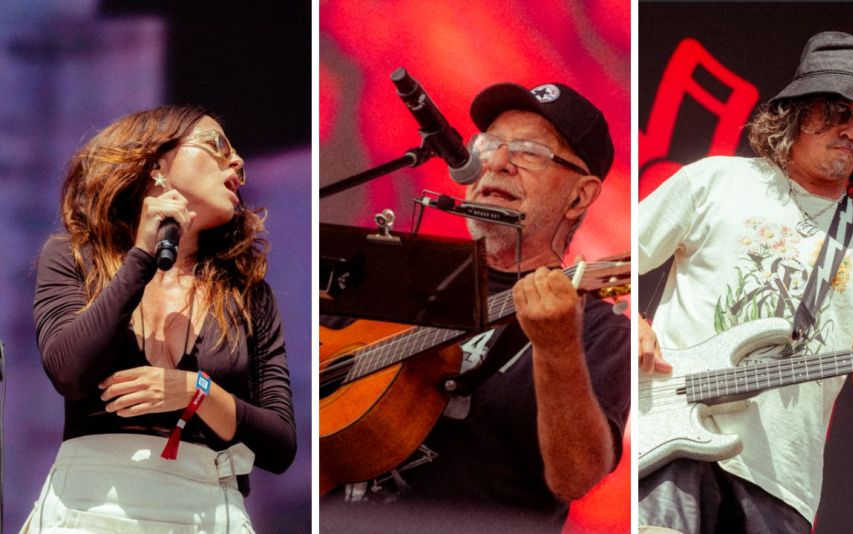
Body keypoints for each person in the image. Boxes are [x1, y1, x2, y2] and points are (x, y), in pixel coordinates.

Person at [638, 31, 853, 533]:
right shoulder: (715, 181)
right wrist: (634, 320)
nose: (851, 130)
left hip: (783, 477)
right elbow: (617, 263)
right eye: (836, 112)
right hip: (671, 443)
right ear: (796, 112)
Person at [321, 82, 630, 532]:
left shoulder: (596, 330)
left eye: (528, 152)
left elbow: (575, 478)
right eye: (487, 146)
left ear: (579, 196)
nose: (497, 163)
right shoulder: (399, 273)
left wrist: (558, 349)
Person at [24, 105, 296, 532]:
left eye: (238, 158)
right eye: (218, 145)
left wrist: (197, 389)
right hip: (89, 510)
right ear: (156, 165)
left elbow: (280, 446)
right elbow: (69, 372)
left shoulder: (246, 292)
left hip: (208, 510)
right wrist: (140, 259)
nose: (237, 163)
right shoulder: (74, 257)